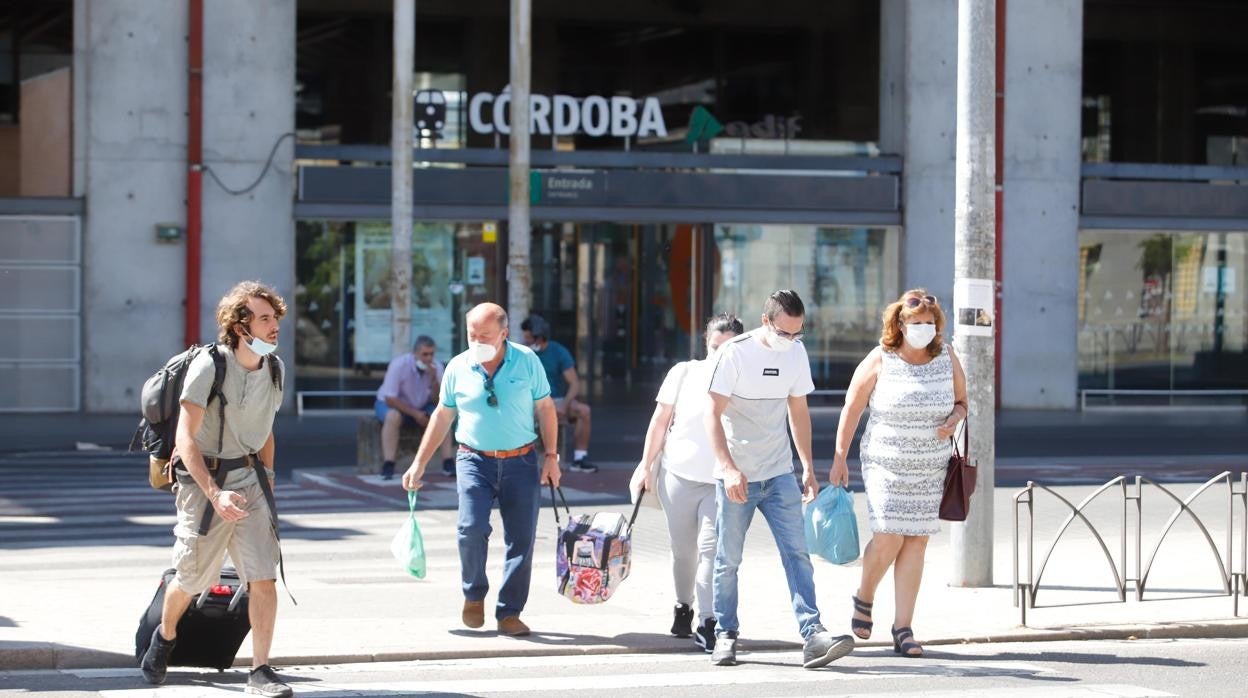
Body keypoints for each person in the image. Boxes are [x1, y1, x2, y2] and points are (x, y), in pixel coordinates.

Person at [140, 281, 293, 698]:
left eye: (275, 317)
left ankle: (260, 670)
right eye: (264, 318)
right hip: (204, 481)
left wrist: (268, 480)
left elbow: (265, 429)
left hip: (251, 480)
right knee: (192, 578)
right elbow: (184, 438)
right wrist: (214, 493)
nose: (275, 325)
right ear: (240, 327)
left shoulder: (274, 368)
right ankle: (165, 636)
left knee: (263, 577)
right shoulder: (210, 366)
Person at [704, 289, 856, 669]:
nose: (790, 340)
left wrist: (807, 467)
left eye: (797, 333)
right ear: (765, 321)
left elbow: (798, 411)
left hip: (778, 473)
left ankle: (813, 634)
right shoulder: (734, 353)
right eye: (784, 332)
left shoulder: (796, 354)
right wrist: (728, 468)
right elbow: (711, 414)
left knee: (797, 555)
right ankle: (725, 633)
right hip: (738, 477)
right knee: (728, 559)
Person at [402, 303, 561, 637]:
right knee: (470, 528)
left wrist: (551, 456)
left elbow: (546, 408)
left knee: (522, 539)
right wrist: (419, 463)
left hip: (521, 461)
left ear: (504, 333)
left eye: (485, 336)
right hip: (474, 460)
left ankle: (509, 612)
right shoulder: (458, 366)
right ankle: (474, 594)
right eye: (471, 335)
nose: (476, 341)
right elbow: (442, 416)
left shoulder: (527, 361)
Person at [831, 289, 967, 658]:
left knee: (916, 541)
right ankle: (865, 594)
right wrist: (840, 456)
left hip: (930, 465)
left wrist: (953, 419)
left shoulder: (947, 356)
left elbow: (962, 403)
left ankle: (903, 628)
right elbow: (852, 407)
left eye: (929, 322)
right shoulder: (881, 358)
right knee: (889, 536)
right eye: (916, 322)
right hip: (885, 463)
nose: (924, 328)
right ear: (900, 325)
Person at [630, 312, 744, 653]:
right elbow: (659, 421)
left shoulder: (745, 378)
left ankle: (708, 621)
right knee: (683, 551)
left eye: (729, 347)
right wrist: (645, 466)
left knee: (711, 550)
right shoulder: (683, 373)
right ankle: (683, 605)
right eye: (715, 346)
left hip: (719, 481)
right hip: (678, 475)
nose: (721, 354)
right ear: (706, 343)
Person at [521, 314, 597, 473]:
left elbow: (574, 383)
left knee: (584, 411)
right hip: (532, 403)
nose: (526, 341)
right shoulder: (522, 354)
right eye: (525, 338)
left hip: (556, 400)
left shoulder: (558, 351)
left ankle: (580, 458)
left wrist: (564, 404)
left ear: (539, 337)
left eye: (529, 338)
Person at [374, 335, 454, 479]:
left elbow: (439, 400)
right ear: (415, 353)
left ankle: (448, 462)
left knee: (444, 415)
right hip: (395, 404)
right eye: (425, 354)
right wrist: (415, 414)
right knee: (393, 417)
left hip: (422, 404)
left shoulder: (437, 367)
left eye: (431, 354)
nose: (429, 358)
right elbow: (390, 398)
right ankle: (388, 464)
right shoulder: (399, 365)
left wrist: (434, 380)